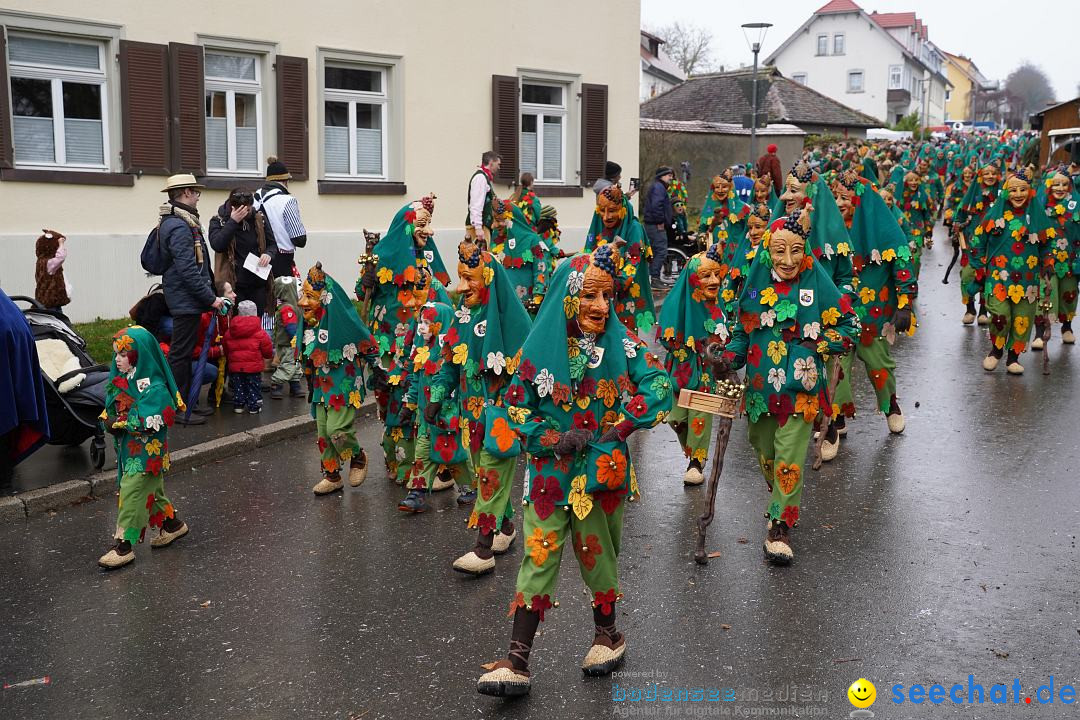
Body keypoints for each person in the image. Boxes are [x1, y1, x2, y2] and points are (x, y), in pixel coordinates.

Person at [475, 245, 672, 697]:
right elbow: (513, 410)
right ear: (568, 298)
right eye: (590, 297)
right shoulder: (538, 347)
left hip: (601, 473)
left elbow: (661, 383)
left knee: (598, 555)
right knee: (538, 557)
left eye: (608, 297)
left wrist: (621, 427)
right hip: (549, 476)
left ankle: (608, 637)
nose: (601, 307)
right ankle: (517, 661)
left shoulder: (622, 344)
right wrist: (550, 438)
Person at [716, 210, 859, 564]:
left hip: (802, 389)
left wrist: (820, 344)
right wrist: (726, 358)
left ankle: (780, 525)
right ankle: (779, 495)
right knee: (765, 450)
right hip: (761, 391)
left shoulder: (817, 281)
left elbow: (850, 327)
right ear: (768, 251)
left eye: (796, 251)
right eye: (780, 251)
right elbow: (741, 331)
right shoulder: (755, 284)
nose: (789, 260)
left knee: (790, 456)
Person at [426, 240, 532, 575]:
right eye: (460, 277)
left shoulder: (515, 323)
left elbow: (529, 373)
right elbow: (449, 362)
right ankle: (507, 529)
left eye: (470, 278)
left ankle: (483, 549)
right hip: (471, 418)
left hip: (502, 418)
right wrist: (436, 396)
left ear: (487, 278)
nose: (461, 286)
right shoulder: (462, 315)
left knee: (489, 476)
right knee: (485, 474)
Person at [827, 170, 916, 448]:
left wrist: (905, 304)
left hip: (874, 314)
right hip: (838, 314)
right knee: (836, 366)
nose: (840, 203)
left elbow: (902, 264)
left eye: (846, 197)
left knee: (879, 364)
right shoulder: (829, 229)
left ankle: (891, 406)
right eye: (836, 197)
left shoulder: (885, 228)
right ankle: (836, 417)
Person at [98, 326, 189, 569]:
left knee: (131, 491)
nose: (117, 358)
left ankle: (124, 545)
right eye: (116, 353)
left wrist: (120, 423)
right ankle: (172, 525)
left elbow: (148, 421)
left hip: (148, 454)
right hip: (130, 452)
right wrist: (109, 419)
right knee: (151, 491)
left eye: (123, 353)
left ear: (140, 355)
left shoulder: (156, 387)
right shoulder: (124, 380)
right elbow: (113, 406)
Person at [299, 263, 387, 495]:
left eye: (309, 296)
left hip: (343, 383)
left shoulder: (342, 320)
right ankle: (332, 475)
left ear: (325, 298)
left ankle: (357, 457)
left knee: (337, 430)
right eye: (302, 295)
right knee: (322, 433)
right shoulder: (311, 324)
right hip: (320, 387)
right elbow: (306, 354)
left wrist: (377, 370)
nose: (302, 303)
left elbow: (366, 343)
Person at [656, 243, 728, 485]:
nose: (714, 280)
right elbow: (666, 336)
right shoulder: (676, 302)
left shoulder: (721, 306)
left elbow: (729, 335)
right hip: (680, 369)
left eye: (717, 274)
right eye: (706, 275)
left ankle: (697, 461)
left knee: (700, 416)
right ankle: (693, 451)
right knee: (675, 419)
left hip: (706, 372)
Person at [969, 168, 1051, 375]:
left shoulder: (1038, 216)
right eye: (1013, 190)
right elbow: (977, 241)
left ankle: (1013, 358)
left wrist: (1048, 262)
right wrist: (979, 267)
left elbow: (1047, 245)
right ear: (1006, 192)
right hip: (998, 277)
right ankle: (996, 350)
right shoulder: (994, 215)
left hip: (1028, 279)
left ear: (1030, 192)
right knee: (1000, 316)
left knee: (1022, 319)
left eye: (1023, 189)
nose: (1018, 194)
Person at [158, 173, 226, 426]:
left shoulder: (178, 222)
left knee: (183, 353)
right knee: (180, 354)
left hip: (186, 298)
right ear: (186, 193)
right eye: (196, 192)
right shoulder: (179, 226)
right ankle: (179, 407)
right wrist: (211, 299)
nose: (198, 197)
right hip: (185, 299)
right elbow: (188, 270)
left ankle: (186, 403)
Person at [585, 185, 656, 334]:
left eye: (612, 211)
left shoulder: (634, 228)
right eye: (602, 211)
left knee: (624, 340)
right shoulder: (598, 224)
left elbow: (633, 263)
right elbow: (588, 255)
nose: (606, 217)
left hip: (623, 296)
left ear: (622, 210)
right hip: (597, 295)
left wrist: (610, 286)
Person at [0, 288, 49, 487]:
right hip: (14, 331)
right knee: (8, 406)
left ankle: (3, 474)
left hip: (7, 336)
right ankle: (4, 472)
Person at [209, 188, 275, 316]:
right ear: (233, 207)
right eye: (242, 210)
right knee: (235, 325)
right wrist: (233, 222)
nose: (246, 213)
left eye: (248, 209)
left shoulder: (258, 218)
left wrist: (268, 254)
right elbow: (217, 245)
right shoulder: (219, 221)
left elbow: (272, 244)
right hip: (233, 286)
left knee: (255, 325)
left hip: (257, 283)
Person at [254, 157, 307, 279]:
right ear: (285, 181)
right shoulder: (287, 201)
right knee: (283, 296)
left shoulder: (254, 198)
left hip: (257, 259)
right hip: (281, 260)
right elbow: (299, 239)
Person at [223, 300, 272, 414]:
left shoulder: (230, 331)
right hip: (253, 366)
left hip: (235, 366)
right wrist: (267, 356)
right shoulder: (259, 332)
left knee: (238, 385)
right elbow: (267, 348)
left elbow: (226, 346)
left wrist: (229, 356)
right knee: (254, 385)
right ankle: (254, 406)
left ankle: (238, 405)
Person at [268, 276, 306, 399]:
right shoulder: (287, 308)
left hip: (294, 343)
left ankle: (295, 385)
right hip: (289, 343)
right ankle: (276, 384)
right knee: (288, 364)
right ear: (290, 290)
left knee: (295, 364)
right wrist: (296, 338)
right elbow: (291, 327)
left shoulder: (295, 306)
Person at [643, 166, 674, 287]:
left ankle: (652, 278)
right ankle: (655, 279)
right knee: (660, 251)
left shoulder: (659, 187)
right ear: (661, 176)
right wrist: (660, 221)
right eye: (668, 175)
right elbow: (657, 206)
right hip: (656, 225)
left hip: (653, 224)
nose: (671, 177)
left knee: (655, 251)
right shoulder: (658, 187)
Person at [467, 151, 501, 244]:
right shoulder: (480, 178)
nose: (499, 167)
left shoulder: (484, 177)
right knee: (478, 256)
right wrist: (478, 228)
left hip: (484, 225)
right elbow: (476, 204)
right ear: (491, 163)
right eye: (498, 164)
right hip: (480, 227)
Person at [34, 229, 71, 313]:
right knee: (57, 319)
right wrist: (61, 243)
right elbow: (61, 257)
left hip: (46, 300)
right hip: (51, 301)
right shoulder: (49, 263)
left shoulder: (40, 262)